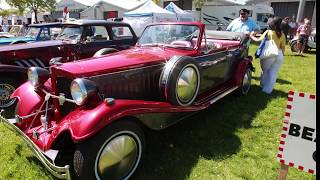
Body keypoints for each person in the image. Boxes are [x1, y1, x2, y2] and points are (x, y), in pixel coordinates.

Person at [249, 16, 286, 94]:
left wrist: (251, 35)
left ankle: (262, 86)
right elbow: (283, 47)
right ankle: (268, 90)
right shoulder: (282, 34)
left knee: (265, 71)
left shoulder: (268, 32)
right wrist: (282, 55)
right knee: (273, 72)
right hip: (279, 54)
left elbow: (258, 40)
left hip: (269, 54)